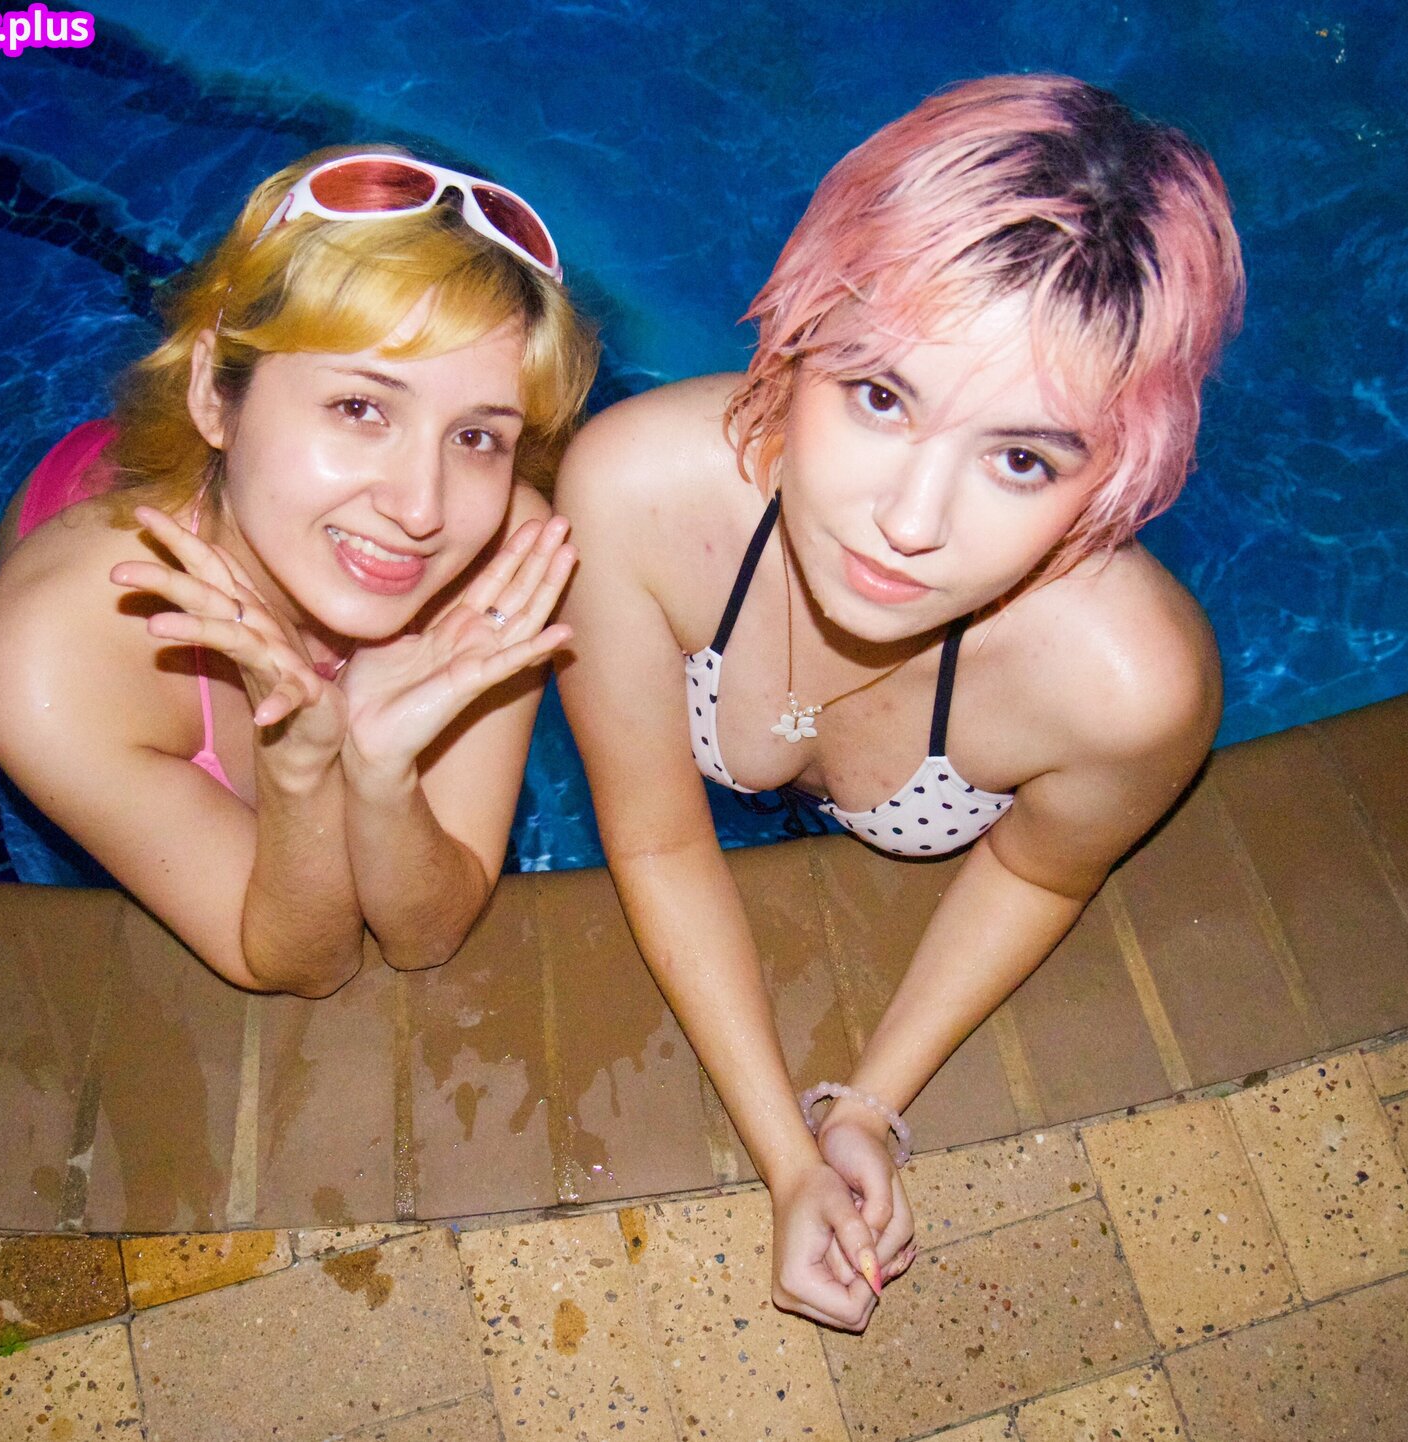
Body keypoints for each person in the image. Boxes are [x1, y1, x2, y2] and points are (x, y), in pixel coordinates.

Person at [554, 75, 1243, 1330]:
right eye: (881, 395)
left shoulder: (1126, 688)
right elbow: (653, 833)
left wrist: (868, 1109)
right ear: (802, 335)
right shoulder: (633, 494)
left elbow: (1035, 872)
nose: (911, 522)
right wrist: (787, 1159)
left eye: (1021, 457)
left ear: (1116, 473)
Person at [0, 148, 597, 996]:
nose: (422, 510)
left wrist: (378, 771)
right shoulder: (53, 660)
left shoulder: (502, 551)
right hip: (106, 549)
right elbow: (305, 966)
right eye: (359, 407)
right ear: (212, 394)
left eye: (476, 435)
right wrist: (299, 775)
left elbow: (425, 937)